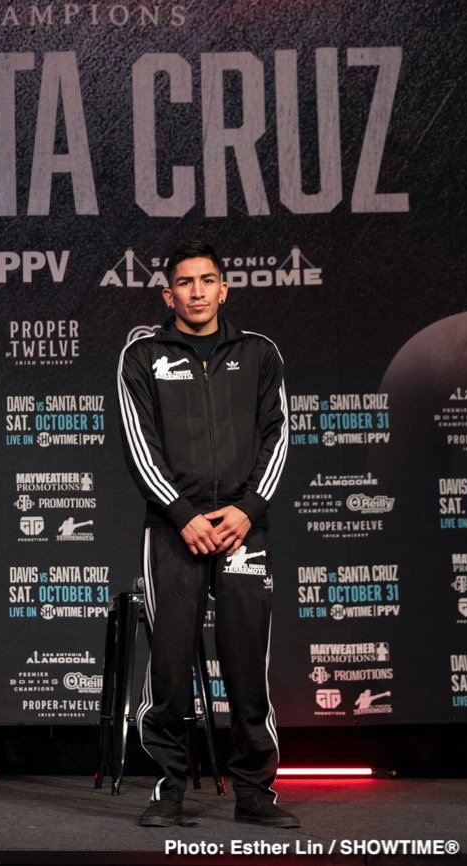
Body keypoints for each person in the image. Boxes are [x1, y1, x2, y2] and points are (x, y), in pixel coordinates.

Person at [116, 240, 297, 828]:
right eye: (185, 282)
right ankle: (167, 787)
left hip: (245, 527)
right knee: (168, 665)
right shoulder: (142, 357)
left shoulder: (260, 353)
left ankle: (254, 794)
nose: (197, 291)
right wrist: (182, 512)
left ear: (224, 288)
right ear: (168, 294)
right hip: (174, 530)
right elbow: (139, 444)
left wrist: (248, 509)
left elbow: (278, 435)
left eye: (207, 280)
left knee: (247, 665)